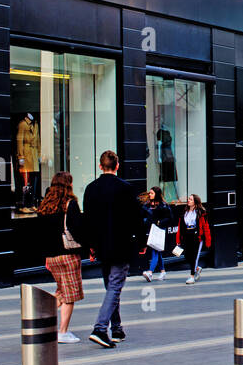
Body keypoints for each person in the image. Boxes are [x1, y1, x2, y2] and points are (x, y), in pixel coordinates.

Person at [81, 150, 143, 349]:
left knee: (111, 287)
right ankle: (100, 328)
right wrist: (141, 243)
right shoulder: (126, 189)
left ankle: (116, 328)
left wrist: (90, 246)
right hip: (121, 245)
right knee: (115, 287)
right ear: (117, 166)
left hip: (101, 246)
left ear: (100, 166)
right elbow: (137, 219)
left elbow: (88, 221)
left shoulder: (91, 189)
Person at [37, 172, 88, 343]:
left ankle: (40, 316)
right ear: (69, 185)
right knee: (69, 295)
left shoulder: (44, 205)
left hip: (51, 257)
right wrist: (87, 246)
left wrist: (46, 256)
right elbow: (78, 229)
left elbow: (41, 235)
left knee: (61, 291)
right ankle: (63, 331)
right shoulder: (70, 204)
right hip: (67, 255)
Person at [176, 193, 212, 284]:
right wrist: (178, 239)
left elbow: (206, 226)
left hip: (197, 236)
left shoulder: (201, 212)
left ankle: (192, 276)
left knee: (194, 256)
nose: (188, 200)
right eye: (188, 199)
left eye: (191, 199)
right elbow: (180, 226)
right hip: (187, 235)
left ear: (195, 202)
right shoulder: (185, 212)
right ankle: (197, 268)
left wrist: (208, 240)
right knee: (187, 256)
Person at [141, 186, 172, 282]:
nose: (149, 194)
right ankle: (162, 271)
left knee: (155, 250)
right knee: (157, 251)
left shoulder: (163, 205)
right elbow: (144, 216)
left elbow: (170, 218)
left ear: (156, 194)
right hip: (151, 230)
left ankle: (150, 272)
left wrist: (159, 222)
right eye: (149, 193)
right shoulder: (147, 205)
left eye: (151, 193)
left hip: (159, 230)